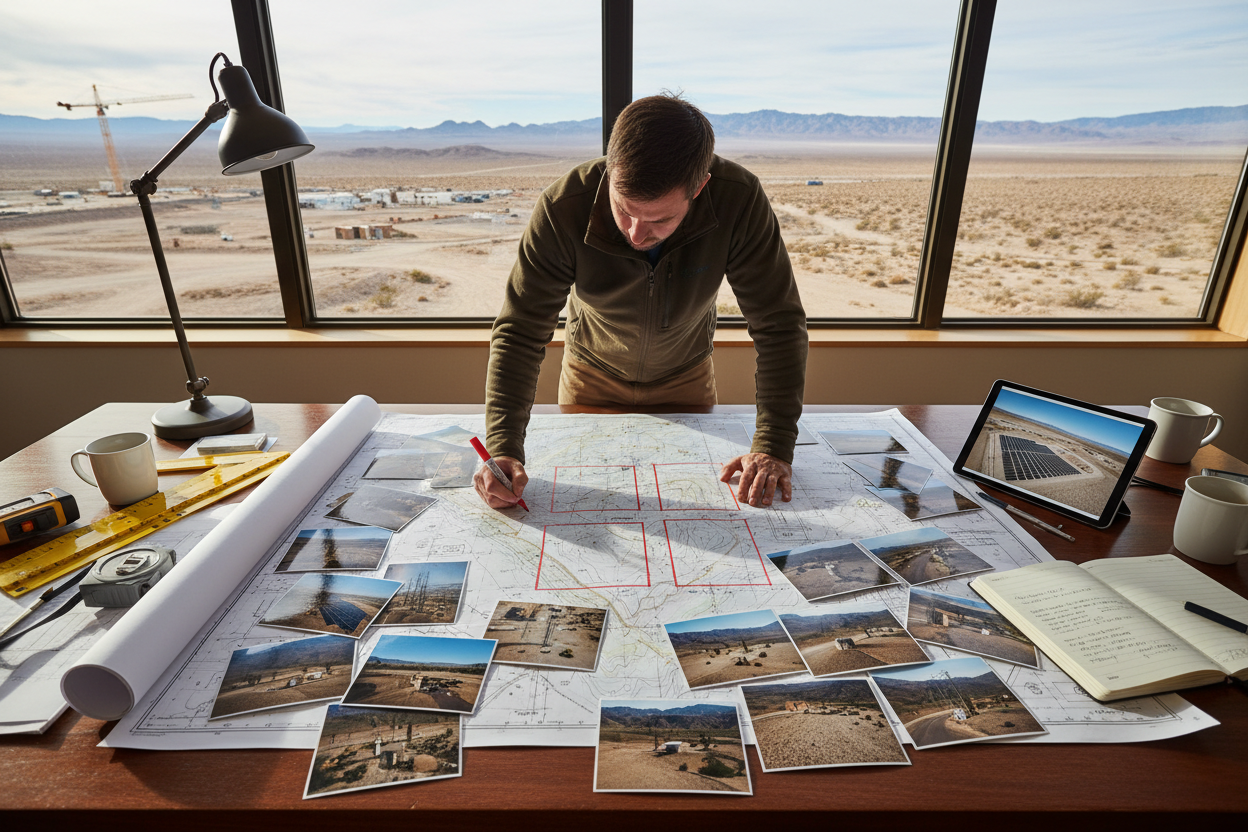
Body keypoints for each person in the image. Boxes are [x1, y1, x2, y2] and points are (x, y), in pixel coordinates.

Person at [475, 93, 807, 510]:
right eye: (623, 209)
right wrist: (503, 446)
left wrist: (773, 443)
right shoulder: (564, 206)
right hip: (589, 377)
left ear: (700, 187)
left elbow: (779, 325)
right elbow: (520, 331)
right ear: (610, 171)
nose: (635, 233)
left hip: (686, 377)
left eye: (660, 219)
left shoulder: (738, 199)